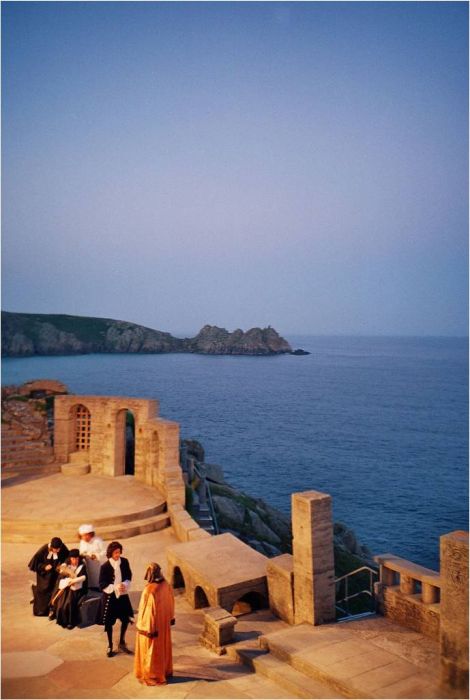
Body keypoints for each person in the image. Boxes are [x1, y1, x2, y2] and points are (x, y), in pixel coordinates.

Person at [134, 562, 175, 686]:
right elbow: (171, 602)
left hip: (153, 627)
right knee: (163, 649)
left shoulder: (150, 590)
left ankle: (153, 675)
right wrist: (170, 618)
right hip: (164, 624)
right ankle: (164, 671)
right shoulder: (166, 584)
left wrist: (146, 629)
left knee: (151, 652)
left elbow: (148, 612)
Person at [99, 541, 134, 657]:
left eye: (119, 552)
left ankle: (122, 642)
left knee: (125, 619)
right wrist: (115, 587)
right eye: (115, 552)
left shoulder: (124, 562)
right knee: (109, 623)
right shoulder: (105, 566)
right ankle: (110, 645)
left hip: (122, 596)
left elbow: (129, 575)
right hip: (110, 597)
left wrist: (125, 584)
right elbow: (101, 584)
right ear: (111, 553)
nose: (118, 554)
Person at [28, 537, 69, 616]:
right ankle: (42, 610)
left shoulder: (62, 547)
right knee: (44, 591)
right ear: (51, 547)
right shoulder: (43, 550)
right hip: (45, 576)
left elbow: (67, 557)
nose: (57, 551)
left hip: (56, 574)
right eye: (55, 549)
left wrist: (63, 564)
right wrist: (44, 567)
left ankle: (53, 609)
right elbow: (35, 564)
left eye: (59, 549)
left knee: (56, 590)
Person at [52, 549, 88, 629]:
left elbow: (84, 577)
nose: (75, 561)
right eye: (73, 559)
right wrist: (67, 579)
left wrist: (74, 580)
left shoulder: (82, 566)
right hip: (67, 587)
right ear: (70, 558)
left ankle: (71, 621)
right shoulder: (67, 565)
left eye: (76, 559)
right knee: (61, 601)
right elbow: (61, 577)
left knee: (69, 602)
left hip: (78, 588)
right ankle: (60, 618)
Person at [78, 523, 106, 589]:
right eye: (83, 536)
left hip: (98, 563)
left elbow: (105, 552)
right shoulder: (82, 542)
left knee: (98, 576)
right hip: (89, 563)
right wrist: (84, 555)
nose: (84, 537)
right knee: (91, 576)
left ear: (90, 534)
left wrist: (96, 555)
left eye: (86, 535)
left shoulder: (98, 541)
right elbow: (81, 551)